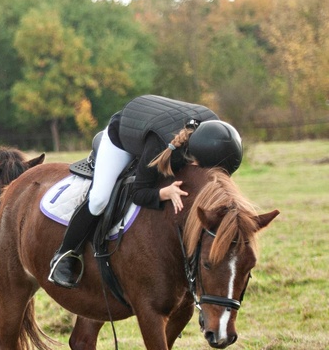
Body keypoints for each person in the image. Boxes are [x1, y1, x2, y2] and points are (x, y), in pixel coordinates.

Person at [48, 94, 243, 289]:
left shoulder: (214, 133)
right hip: (121, 136)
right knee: (99, 199)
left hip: (154, 123)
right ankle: (65, 253)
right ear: (196, 161)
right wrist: (163, 194)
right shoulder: (162, 149)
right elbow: (138, 192)